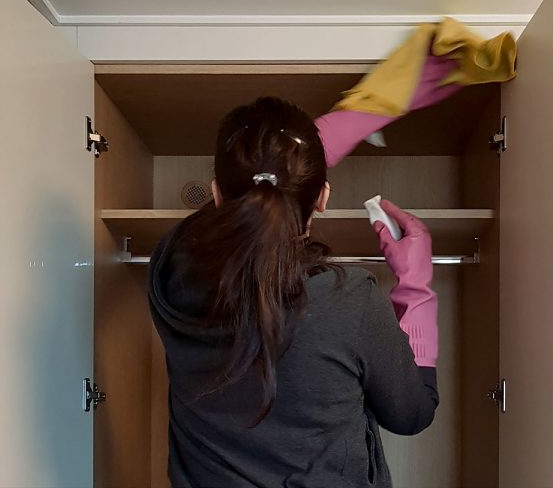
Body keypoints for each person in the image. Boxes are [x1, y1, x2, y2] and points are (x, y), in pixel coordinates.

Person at [149, 96, 439, 488]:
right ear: (323, 197)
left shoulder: (170, 271)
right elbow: (412, 414)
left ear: (215, 194)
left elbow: (223, 217)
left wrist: (278, 167)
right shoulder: (349, 299)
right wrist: (415, 287)